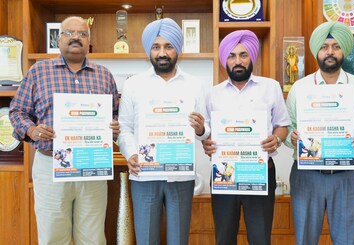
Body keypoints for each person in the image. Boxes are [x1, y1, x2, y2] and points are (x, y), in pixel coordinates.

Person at [8, 16, 120, 245]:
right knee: (52, 238)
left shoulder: (104, 75)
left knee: (93, 238)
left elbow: (116, 114)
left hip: (92, 165)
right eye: (69, 33)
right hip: (50, 165)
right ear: (58, 39)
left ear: (89, 41)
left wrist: (115, 126)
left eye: (82, 34)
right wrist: (31, 131)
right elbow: (16, 112)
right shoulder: (39, 71)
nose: (76, 37)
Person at [284, 22, 354, 245]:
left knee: (347, 241)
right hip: (307, 176)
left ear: (344, 51)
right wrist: (291, 138)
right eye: (324, 46)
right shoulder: (299, 88)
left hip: (349, 176)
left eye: (336, 46)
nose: (330, 52)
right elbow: (287, 127)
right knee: (304, 240)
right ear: (316, 51)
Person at [118, 18, 210, 245]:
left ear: (177, 49)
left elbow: (206, 130)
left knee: (179, 239)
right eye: (156, 47)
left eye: (168, 46)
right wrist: (131, 154)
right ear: (149, 50)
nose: (162, 53)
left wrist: (201, 129)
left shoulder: (195, 84)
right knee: (146, 239)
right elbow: (124, 128)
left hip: (181, 175)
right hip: (145, 174)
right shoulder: (133, 84)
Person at [202, 30, 290, 245]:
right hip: (224, 174)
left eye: (243, 55)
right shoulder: (212, 93)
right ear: (225, 60)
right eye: (231, 56)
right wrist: (207, 143)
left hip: (259, 172)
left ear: (252, 57)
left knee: (260, 238)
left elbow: (283, 125)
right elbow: (205, 132)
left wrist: (276, 140)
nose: (238, 61)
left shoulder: (271, 87)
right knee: (224, 237)